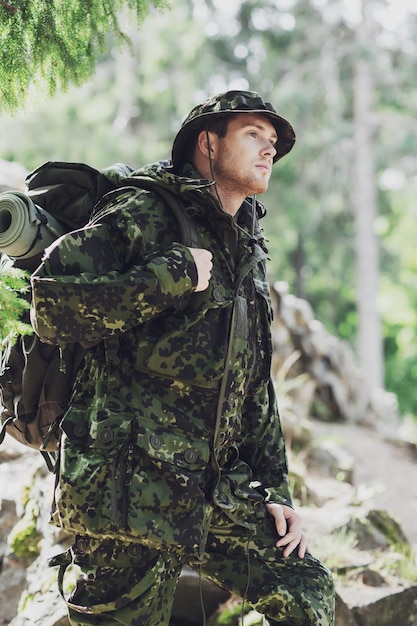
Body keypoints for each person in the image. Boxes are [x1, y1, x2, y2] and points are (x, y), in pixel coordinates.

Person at [31, 90, 335, 626]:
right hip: (127, 494)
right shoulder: (145, 213)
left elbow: (254, 386)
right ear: (207, 144)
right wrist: (168, 277)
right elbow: (52, 305)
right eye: (252, 136)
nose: (268, 151)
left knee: (305, 593)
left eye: (273, 144)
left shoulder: (247, 247)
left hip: (212, 492)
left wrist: (277, 491)